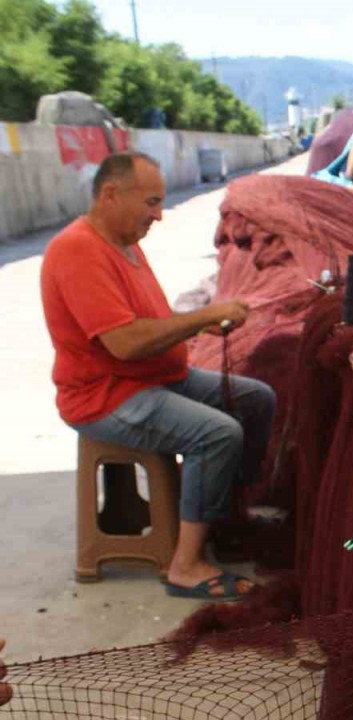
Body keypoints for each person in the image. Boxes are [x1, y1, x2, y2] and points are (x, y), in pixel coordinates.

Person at [41, 152, 276, 601]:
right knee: (217, 433)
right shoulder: (78, 250)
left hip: (152, 379)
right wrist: (203, 314)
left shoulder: (126, 244)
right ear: (111, 194)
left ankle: (226, 521)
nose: (159, 214)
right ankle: (184, 566)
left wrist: (196, 322)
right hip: (105, 397)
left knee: (256, 399)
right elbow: (125, 342)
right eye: (151, 202)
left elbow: (148, 317)